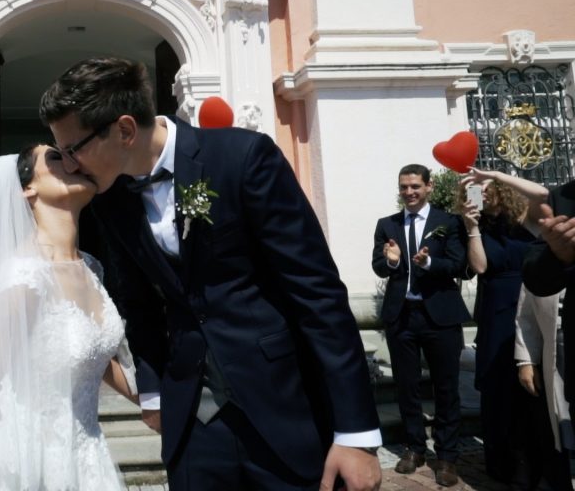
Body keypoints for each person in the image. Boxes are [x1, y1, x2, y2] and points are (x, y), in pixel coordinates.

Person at [41, 57, 381, 491]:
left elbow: (317, 295)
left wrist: (356, 433)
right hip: (191, 421)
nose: (69, 164)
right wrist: (153, 391)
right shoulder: (112, 200)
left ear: (125, 130)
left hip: (281, 404)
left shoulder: (244, 159)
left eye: (74, 149)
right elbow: (138, 301)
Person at [0, 146, 138, 490]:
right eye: (54, 158)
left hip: (88, 459)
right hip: (33, 463)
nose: (72, 161)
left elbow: (94, 356)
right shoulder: (24, 279)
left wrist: (161, 401)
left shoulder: (90, 267)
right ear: (28, 189)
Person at [372, 164, 469, 486]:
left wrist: (428, 262)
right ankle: (414, 448)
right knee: (407, 386)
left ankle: (447, 456)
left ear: (428, 187)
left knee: (446, 387)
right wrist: (392, 261)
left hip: (439, 315)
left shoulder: (448, 222)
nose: (409, 192)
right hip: (402, 315)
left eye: (415, 186)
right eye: (404, 187)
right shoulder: (387, 224)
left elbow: (459, 264)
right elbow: (378, 266)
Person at [457, 168, 545, 485]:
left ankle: (535, 457)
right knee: (497, 389)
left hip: (530, 306)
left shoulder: (523, 218)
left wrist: (494, 173)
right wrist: (471, 225)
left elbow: (542, 194)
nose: (483, 191)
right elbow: (480, 266)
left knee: (533, 387)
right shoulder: (475, 226)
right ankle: (502, 460)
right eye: (477, 189)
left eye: (487, 187)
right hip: (495, 313)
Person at [515, 285, 573, 491]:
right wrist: (525, 361)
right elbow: (526, 315)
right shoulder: (541, 263)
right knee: (558, 429)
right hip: (556, 353)